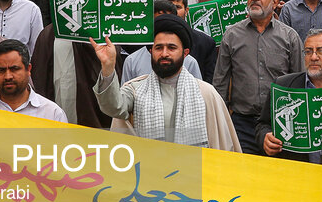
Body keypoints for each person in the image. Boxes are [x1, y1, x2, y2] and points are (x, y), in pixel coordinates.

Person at [92, 15, 239, 148]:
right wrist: (108, 66)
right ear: (151, 51)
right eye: (158, 48)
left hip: (194, 172)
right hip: (150, 171)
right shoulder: (135, 89)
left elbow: (223, 144)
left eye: (172, 48)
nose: (164, 54)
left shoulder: (206, 93)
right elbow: (113, 107)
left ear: (185, 53)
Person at [213, 0, 303, 154]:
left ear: (275, 2)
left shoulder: (289, 37)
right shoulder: (232, 35)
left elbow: (299, 81)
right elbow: (220, 82)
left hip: (279, 123)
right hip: (241, 124)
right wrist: (223, 120)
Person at [257, 29, 322, 163]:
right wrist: (265, 138)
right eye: (308, 51)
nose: (313, 57)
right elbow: (263, 125)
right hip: (298, 172)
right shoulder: (284, 85)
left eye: (321, 51)